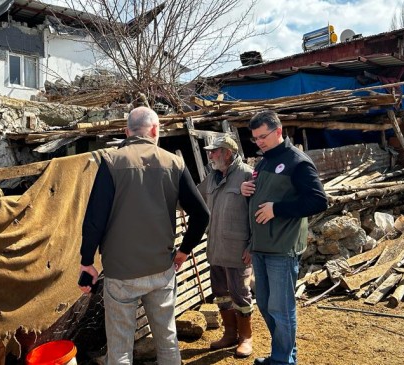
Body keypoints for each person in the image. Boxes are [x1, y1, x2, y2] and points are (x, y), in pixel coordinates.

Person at [79, 106, 210, 365]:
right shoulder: (174, 162)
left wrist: (87, 261)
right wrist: (184, 251)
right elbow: (202, 215)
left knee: (120, 348)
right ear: (155, 130)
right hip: (161, 269)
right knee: (168, 340)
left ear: (127, 132)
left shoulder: (111, 161)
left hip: (121, 273)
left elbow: (94, 220)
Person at [240, 110, 327, 365]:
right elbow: (264, 190)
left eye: (263, 137)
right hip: (262, 245)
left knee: (281, 308)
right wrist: (247, 190)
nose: (259, 142)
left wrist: (277, 209)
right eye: (255, 139)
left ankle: (282, 360)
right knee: (266, 305)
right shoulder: (265, 160)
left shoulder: (298, 162)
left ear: (278, 131)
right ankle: (285, 355)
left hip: (283, 246)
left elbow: (318, 201)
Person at [198, 135, 255, 357]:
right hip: (216, 248)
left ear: (227, 153)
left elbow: (257, 214)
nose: (210, 155)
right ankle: (230, 334)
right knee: (221, 293)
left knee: (240, 294)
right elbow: (193, 196)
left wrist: (253, 245)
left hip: (238, 249)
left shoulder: (248, 174)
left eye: (214, 151)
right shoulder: (212, 178)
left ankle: (245, 338)